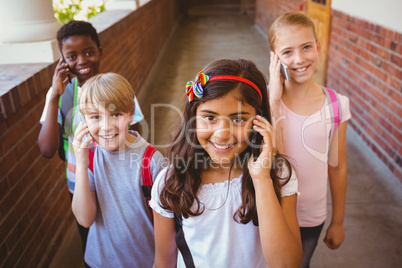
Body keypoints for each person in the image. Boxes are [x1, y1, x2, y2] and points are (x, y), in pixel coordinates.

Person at [150, 59, 303, 267]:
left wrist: (261, 179)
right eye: (210, 118)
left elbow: (286, 264)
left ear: (259, 122)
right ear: (193, 119)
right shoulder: (171, 181)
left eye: (238, 119)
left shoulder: (278, 174)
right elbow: (164, 261)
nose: (222, 135)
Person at [37, 20, 144, 252]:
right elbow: (47, 149)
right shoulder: (61, 96)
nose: (82, 61)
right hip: (81, 185)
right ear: (62, 61)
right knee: (92, 242)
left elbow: (137, 135)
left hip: (119, 182)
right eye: (71, 56)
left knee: (126, 240)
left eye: (88, 52)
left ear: (99, 52)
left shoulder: (118, 89)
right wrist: (53, 97)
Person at [267, 12, 351, 268]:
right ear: (275, 57)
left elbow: (337, 167)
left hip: (312, 216)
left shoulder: (337, 105)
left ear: (318, 46)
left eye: (306, 47)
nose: (300, 59)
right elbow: (272, 155)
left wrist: (338, 221)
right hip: (271, 212)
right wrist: (273, 101)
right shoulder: (265, 101)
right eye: (288, 52)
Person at [72, 72, 164, 267]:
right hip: (100, 261)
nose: (106, 126)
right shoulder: (88, 157)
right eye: (95, 116)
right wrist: (80, 164)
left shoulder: (151, 161)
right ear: (85, 121)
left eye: (116, 114)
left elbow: (168, 225)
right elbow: (85, 219)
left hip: (145, 262)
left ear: (130, 114)